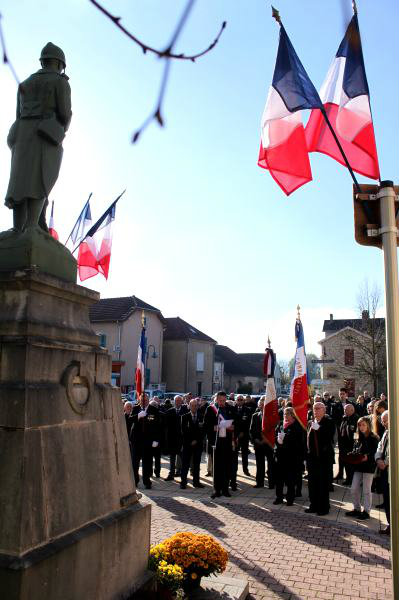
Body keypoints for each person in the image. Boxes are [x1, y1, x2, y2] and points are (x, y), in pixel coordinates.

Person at [5, 43, 72, 233]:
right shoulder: (60, 82)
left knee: (19, 181)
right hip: (46, 133)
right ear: (60, 64)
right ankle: (33, 225)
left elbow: (18, 113)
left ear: (43, 61)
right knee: (42, 178)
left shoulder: (24, 83)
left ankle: (18, 228)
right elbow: (65, 113)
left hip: (22, 133)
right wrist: (61, 131)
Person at [345, 417, 379, 520]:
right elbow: (355, 449)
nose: (361, 427)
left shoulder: (373, 437)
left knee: (366, 490)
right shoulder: (357, 436)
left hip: (369, 467)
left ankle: (366, 512)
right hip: (358, 466)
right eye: (359, 425)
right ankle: (357, 509)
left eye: (363, 424)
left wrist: (367, 457)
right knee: (354, 488)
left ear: (368, 425)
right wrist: (352, 454)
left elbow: (375, 452)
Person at [204, 391, 236, 498]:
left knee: (227, 466)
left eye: (223, 400)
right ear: (216, 399)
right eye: (220, 400)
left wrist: (232, 427)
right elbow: (206, 425)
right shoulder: (211, 409)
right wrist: (215, 428)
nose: (222, 402)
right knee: (217, 467)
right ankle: (217, 490)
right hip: (216, 442)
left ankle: (225, 489)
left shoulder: (231, 408)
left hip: (227, 442)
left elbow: (237, 422)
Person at [305, 402, 335, 516]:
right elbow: (307, 440)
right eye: (314, 409)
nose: (315, 411)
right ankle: (313, 505)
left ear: (324, 410)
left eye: (318, 409)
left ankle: (324, 507)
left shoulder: (329, 422)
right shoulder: (310, 423)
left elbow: (330, 437)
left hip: (323, 459)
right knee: (312, 484)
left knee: (323, 484)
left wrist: (319, 429)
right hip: (312, 458)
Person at [274, 407, 305, 506]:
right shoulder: (280, 424)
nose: (285, 416)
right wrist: (278, 441)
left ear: (292, 415)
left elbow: (299, 443)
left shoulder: (297, 426)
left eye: (287, 414)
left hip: (292, 457)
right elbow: (276, 435)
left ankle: (290, 499)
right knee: (279, 479)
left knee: (290, 480)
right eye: (284, 414)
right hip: (280, 456)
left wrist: (285, 441)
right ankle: (279, 497)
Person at [130, 393, 161, 489]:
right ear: (139, 400)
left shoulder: (154, 410)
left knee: (147, 463)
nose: (144, 401)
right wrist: (138, 416)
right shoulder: (135, 409)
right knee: (135, 463)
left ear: (149, 400)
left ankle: (147, 482)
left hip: (148, 441)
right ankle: (135, 481)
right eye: (142, 400)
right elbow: (130, 420)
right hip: (136, 441)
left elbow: (157, 426)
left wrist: (156, 440)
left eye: (146, 400)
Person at [249, 397, 275, 489]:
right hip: (258, 444)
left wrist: (266, 439)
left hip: (268, 444)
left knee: (271, 464)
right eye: (260, 404)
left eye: (263, 404)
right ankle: (259, 482)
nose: (261, 406)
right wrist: (255, 440)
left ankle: (272, 483)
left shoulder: (272, 416)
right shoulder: (255, 415)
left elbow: (273, 429)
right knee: (260, 464)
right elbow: (251, 430)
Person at [180, 399, 205, 489]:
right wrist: (190, 441)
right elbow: (183, 431)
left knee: (196, 464)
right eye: (192, 405)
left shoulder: (202, 417)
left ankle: (196, 482)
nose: (194, 407)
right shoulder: (184, 417)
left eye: (195, 405)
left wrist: (197, 440)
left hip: (198, 445)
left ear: (198, 406)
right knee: (185, 465)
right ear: (189, 406)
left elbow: (203, 431)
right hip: (187, 444)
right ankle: (183, 482)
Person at [164, 395, 188, 481]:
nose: (177, 402)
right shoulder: (169, 411)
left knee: (183, 458)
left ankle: (183, 474)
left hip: (182, 439)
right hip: (172, 439)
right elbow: (166, 426)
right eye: (176, 401)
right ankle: (171, 474)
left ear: (182, 401)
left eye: (179, 400)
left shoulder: (185, 411)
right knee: (172, 458)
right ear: (174, 402)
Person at [230, 395, 252, 490]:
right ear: (235, 401)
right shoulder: (232, 409)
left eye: (241, 400)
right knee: (234, 455)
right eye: (238, 400)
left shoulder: (248, 410)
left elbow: (249, 423)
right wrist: (236, 434)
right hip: (234, 436)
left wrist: (243, 432)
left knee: (244, 454)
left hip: (244, 435)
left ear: (243, 401)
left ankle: (245, 469)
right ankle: (234, 473)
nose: (239, 401)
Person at [375, 410, 390, 535]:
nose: (383, 423)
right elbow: (380, 446)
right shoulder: (386, 432)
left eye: (385, 421)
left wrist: (386, 462)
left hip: (391, 470)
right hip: (383, 470)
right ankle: (390, 524)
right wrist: (378, 458)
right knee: (386, 498)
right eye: (382, 421)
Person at [336, 403, 358, 485]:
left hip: (350, 445)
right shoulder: (344, 418)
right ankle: (340, 474)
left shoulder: (356, 419)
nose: (344, 411)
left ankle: (350, 479)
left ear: (352, 410)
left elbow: (356, 433)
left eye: (346, 409)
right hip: (342, 444)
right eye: (344, 409)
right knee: (341, 460)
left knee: (349, 463)